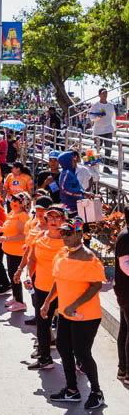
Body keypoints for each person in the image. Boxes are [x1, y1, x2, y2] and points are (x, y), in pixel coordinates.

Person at [42, 217, 106, 409]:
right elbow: (58, 279)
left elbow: (96, 286)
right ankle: (71, 390)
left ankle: (96, 392)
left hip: (86, 316)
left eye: (69, 233)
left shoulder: (88, 257)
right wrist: (47, 302)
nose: (65, 236)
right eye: (63, 232)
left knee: (82, 353)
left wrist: (75, 304)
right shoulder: (62, 253)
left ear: (79, 234)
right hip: (66, 313)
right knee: (63, 348)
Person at [22, 204, 67, 370]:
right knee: (42, 324)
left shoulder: (69, 239)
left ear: (63, 219)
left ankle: (78, 360)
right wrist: (28, 275)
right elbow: (32, 259)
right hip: (41, 287)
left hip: (64, 289)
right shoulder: (40, 236)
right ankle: (45, 358)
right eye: (51, 217)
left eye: (58, 217)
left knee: (66, 327)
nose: (54, 221)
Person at [0, 192, 30, 312]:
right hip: (9, 250)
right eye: (12, 200)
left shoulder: (22, 216)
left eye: (16, 201)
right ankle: (16, 298)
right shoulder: (12, 214)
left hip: (17, 252)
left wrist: (6, 239)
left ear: (22, 204)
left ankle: (20, 302)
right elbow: (10, 228)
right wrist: (0, 229)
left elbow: (22, 236)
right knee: (11, 275)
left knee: (15, 276)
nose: (13, 203)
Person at [114, 205, 129, 386]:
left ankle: (123, 368)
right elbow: (125, 264)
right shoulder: (126, 236)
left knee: (125, 329)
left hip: (124, 290)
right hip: (127, 291)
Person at [89, 87, 116, 172]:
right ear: (99, 95)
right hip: (98, 131)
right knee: (96, 149)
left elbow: (113, 117)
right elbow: (91, 117)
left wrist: (115, 129)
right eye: (103, 93)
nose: (105, 94)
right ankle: (93, 166)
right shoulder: (95, 105)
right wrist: (97, 117)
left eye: (106, 92)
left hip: (108, 130)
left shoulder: (111, 105)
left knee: (108, 150)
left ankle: (106, 167)